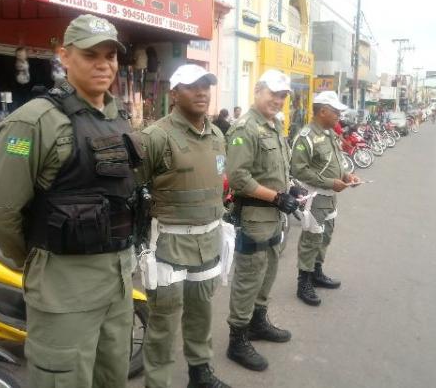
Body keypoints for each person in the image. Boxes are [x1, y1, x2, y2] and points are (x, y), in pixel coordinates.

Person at [0, 14, 139, 388]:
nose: (104, 64)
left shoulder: (118, 117)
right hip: (64, 290)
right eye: (90, 55)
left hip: (118, 284)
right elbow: (1, 213)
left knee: (111, 377)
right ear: (64, 57)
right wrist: (37, 261)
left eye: (111, 56)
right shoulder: (33, 122)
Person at [139, 64, 230, 388]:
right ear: (174, 94)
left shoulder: (217, 134)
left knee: (201, 313)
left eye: (205, 85)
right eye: (192, 86)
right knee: (163, 324)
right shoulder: (155, 137)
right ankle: (157, 383)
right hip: (169, 245)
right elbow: (134, 191)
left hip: (209, 241)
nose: (201, 92)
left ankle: (200, 372)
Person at [225, 69, 301, 372]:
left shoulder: (273, 126)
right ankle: (237, 339)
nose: (279, 100)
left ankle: (258, 322)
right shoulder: (246, 128)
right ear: (257, 91)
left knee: (269, 270)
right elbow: (239, 178)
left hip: (275, 216)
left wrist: (290, 187)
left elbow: (274, 170)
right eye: (274, 93)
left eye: (283, 96)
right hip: (255, 216)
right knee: (248, 277)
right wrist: (276, 197)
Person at [290, 91, 360, 306]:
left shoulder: (329, 133)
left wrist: (346, 176)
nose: (338, 115)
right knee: (311, 239)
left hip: (330, 198)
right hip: (315, 197)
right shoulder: (305, 137)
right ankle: (304, 282)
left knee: (325, 236)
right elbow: (298, 170)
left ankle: (317, 272)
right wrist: (331, 183)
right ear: (322, 111)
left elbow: (335, 160)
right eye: (335, 111)